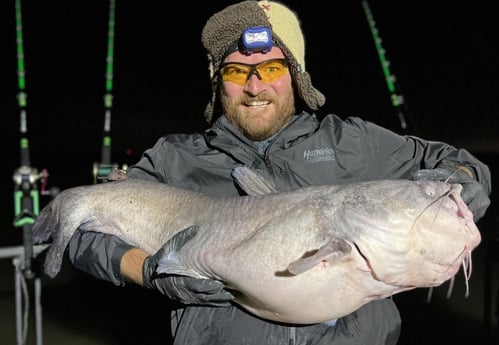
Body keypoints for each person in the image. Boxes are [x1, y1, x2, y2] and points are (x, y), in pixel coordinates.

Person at [67, 1, 491, 344]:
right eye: (236, 72)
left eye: (271, 69)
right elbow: (85, 234)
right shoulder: (175, 158)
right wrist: (145, 269)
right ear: (219, 82)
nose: (255, 87)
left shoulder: (354, 142)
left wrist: (464, 186)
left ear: (296, 77)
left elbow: (458, 166)